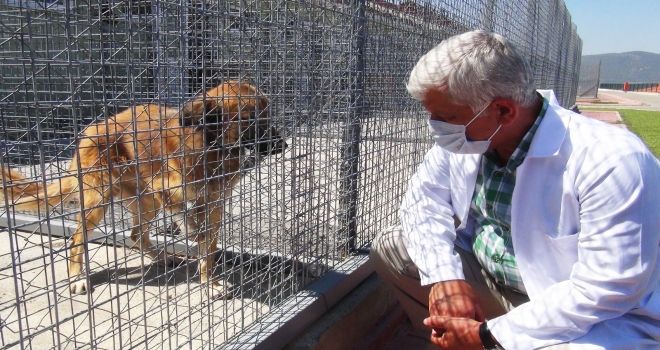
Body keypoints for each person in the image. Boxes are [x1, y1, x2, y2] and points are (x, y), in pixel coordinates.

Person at [370, 30, 660, 350]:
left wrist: (487, 335)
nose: (436, 126)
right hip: (496, 285)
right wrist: (445, 278)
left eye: (447, 117)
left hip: (591, 315)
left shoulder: (612, 160)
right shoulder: (470, 139)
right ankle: (455, 340)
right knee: (394, 247)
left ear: (504, 111)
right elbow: (423, 202)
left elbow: (607, 290)